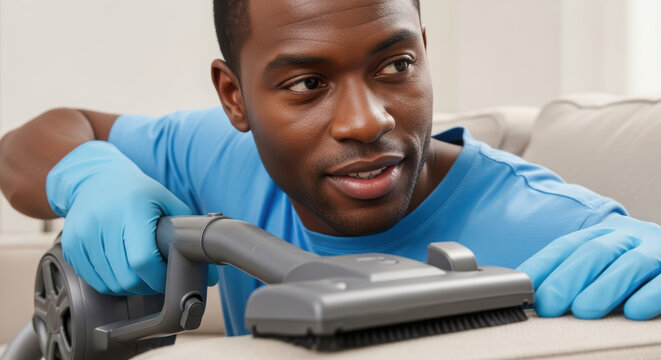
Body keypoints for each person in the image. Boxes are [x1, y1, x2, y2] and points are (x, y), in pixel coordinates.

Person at [1, 0, 660, 337]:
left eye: (396, 66)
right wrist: (85, 173)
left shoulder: (557, 232)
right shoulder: (217, 152)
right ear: (236, 97)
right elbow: (33, 143)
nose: (365, 120)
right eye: (308, 82)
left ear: (424, 53)